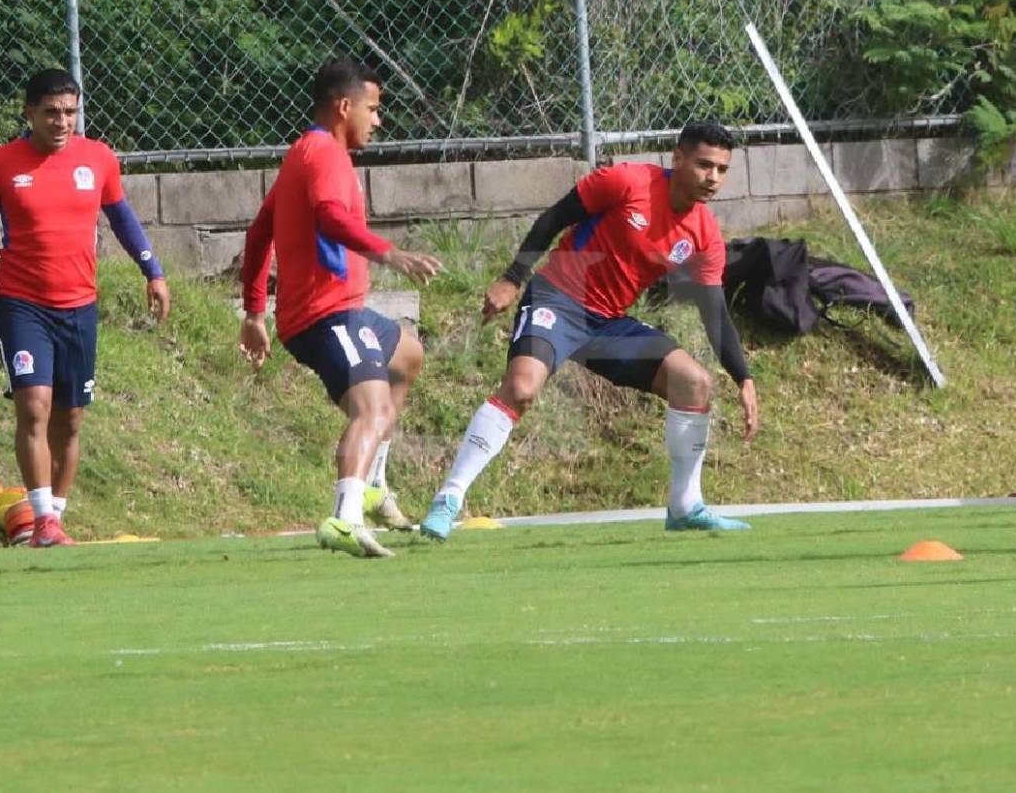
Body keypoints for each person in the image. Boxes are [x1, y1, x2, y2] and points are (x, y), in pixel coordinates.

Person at [419, 120, 759, 541]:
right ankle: (448, 498)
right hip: (557, 299)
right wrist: (512, 277)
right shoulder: (627, 181)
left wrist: (743, 377)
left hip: (608, 323)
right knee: (521, 388)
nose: (713, 178)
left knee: (694, 382)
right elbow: (554, 218)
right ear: (677, 158)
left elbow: (714, 310)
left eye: (722, 170)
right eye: (705, 165)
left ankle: (686, 505)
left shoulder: (705, 233)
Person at [0, 68, 171, 546]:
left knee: (70, 419)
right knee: (35, 408)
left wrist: (152, 271)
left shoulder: (99, 160)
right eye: (51, 112)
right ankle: (44, 520)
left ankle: (54, 518)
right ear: (29, 113)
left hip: (79, 307)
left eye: (70, 112)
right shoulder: (0, 164)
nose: (62, 122)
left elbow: (123, 218)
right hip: (22, 305)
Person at [239, 57, 442, 558]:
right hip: (327, 313)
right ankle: (346, 516)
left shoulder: (303, 154)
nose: (378, 120)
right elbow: (330, 219)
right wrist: (388, 253)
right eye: (372, 109)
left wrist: (253, 313)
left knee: (408, 355)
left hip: (336, 311)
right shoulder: (325, 155)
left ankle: (371, 485)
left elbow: (259, 232)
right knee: (371, 409)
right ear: (344, 106)